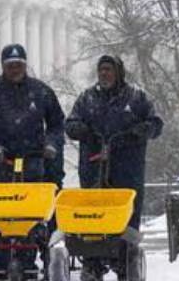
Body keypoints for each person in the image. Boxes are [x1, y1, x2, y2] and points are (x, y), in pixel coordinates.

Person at [0, 44, 65, 272]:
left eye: (19, 64)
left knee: (29, 214)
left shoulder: (41, 92)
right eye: (10, 65)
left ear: (25, 64)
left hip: (32, 162)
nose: (15, 69)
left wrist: (51, 144)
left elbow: (58, 124)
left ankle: (29, 258)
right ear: (3, 66)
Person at [65, 55, 163, 239]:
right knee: (94, 208)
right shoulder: (87, 98)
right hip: (93, 167)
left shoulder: (136, 97)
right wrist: (81, 130)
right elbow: (70, 124)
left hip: (127, 167)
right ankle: (92, 253)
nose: (104, 74)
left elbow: (156, 123)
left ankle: (126, 247)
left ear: (118, 73)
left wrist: (142, 130)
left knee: (126, 208)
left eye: (108, 69)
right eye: (101, 70)